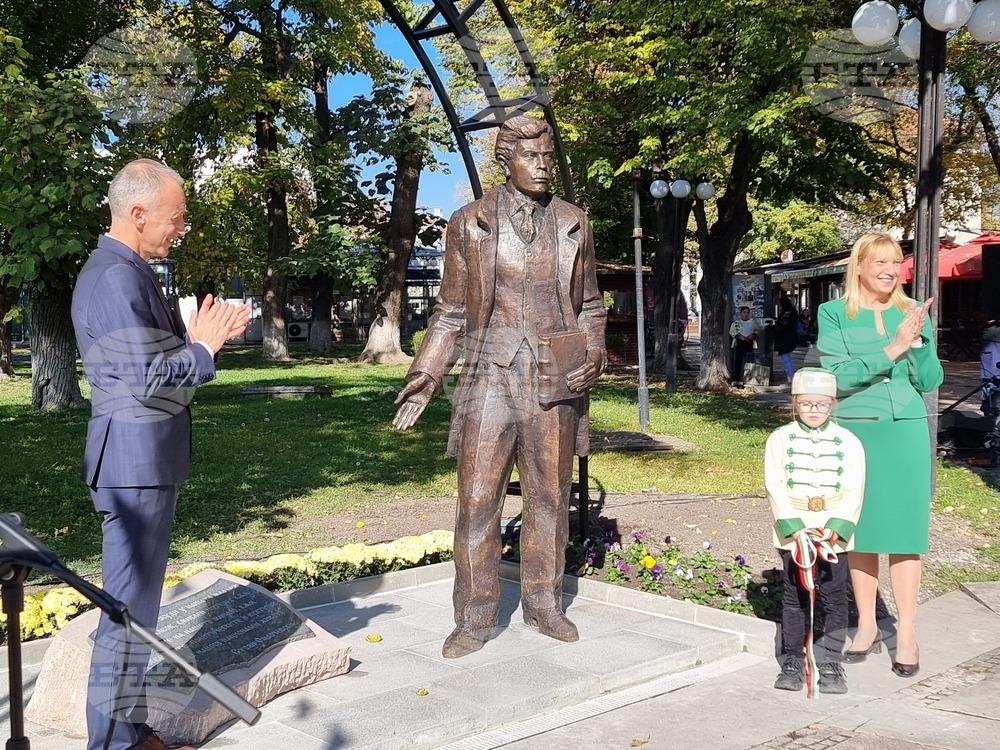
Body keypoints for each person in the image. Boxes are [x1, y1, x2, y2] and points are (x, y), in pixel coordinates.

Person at [392, 115, 606, 659]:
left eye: (548, 156)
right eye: (531, 156)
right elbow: (450, 311)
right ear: (505, 160)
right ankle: (475, 615)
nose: (542, 166)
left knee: (550, 497)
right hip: (489, 373)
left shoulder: (573, 222)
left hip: (554, 377)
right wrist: (424, 377)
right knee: (478, 498)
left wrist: (595, 353)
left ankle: (543, 604)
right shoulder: (469, 223)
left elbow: (590, 305)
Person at [72, 159, 249, 750]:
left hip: (139, 461)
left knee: (133, 614)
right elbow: (149, 378)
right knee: (125, 618)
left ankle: (127, 731)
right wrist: (202, 346)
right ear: (138, 213)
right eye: (176, 218)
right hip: (133, 465)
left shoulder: (126, 269)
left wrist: (197, 328)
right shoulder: (117, 276)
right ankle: (115, 743)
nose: (182, 228)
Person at [817, 232, 943, 679]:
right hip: (857, 433)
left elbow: (929, 381)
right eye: (880, 263)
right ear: (860, 267)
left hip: (906, 432)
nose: (890, 271)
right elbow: (837, 377)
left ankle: (906, 632)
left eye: (895, 263)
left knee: (906, 535)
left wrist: (920, 340)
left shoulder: (911, 312)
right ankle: (868, 624)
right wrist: (892, 348)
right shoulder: (833, 313)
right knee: (863, 532)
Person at [765, 368, 866, 695]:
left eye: (821, 405)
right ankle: (794, 659)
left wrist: (835, 529)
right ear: (795, 403)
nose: (813, 410)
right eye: (806, 404)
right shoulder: (779, 439)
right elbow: (775, 485)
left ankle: (832, 663)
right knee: (795, 597)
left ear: (832, 405)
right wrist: (795, 531)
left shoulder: (849, 441)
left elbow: (854, 487)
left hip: (833, 534)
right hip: (795, 532)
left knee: (836, 600)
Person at [729, 306, 760, 386]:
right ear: (741, 313)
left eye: (747, 313)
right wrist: (739, 336)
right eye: (744, 312)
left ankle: (749, 378)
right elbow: (732, 332)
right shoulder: (736, 323)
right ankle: (736, 378)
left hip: (749, 342)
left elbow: (757, 330)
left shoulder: (752, 322)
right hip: (740, 343)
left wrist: (753, 335)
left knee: (749, 361)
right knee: (738, 361)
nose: (746, 314)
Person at [775, 296, 799, 385]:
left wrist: (773, 327)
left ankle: (790, 377)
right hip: (790, 338)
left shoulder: (786, 314)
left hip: (785, 339)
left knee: (786, 358)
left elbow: (782, 327)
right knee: (787, 358)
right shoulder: (792, 312)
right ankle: (790, 376)